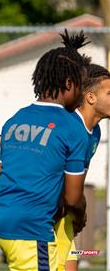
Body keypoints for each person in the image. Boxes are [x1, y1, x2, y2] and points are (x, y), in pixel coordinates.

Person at [0, 30, 91, 271]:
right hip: (30, 228)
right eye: (82, 86)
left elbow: (2, 173)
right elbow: (73, 198)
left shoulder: (16, 119)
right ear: (69, 84)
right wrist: (80, 218)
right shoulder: (73, 127)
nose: (84, 94)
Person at [56, 63, 110, 271]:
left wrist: (76, 213)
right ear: (90, 97)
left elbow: (75, 183)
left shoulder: (95, 132)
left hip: (64, 216)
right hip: (44, 216)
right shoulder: (67, 125)